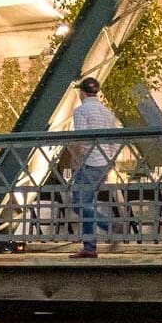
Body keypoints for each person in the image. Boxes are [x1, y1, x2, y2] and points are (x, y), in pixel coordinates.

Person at [67, 76, 121, 259]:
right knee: (86, 203)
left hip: (89, 163)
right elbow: (114, 142)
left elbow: (82, 138)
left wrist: (76, 160)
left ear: (82, 93)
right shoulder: (107, 112)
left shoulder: (81, 111)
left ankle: (108, 225)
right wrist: (110, 162)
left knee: (78, 203)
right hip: (104, 163)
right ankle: (89, 247)